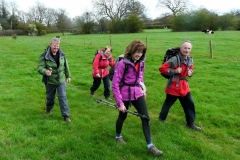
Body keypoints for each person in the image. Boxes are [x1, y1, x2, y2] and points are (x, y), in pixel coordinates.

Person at [112, 40, 163, 156]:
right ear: (131, 51)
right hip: (124, 93)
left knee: (145, 117)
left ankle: (150, 146)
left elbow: (140, 78)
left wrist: (142, 89)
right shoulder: (122, 64)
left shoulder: (141, 64)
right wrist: (120, 103)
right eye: (137, 51)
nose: (139, 54)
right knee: (122, 115)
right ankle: (118, 136)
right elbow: (115, 85)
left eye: (141, 52)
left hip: (137, 93)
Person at [158, 40, 201, 131]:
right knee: (168, 104)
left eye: (189, 48)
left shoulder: (190, 59)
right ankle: (162, 119)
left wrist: (190, 73)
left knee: (189, 104)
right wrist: (174, 71)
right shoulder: (174, 59)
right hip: (173, 86)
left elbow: (191, 68)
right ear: (181, 49)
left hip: (184, 87)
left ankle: (190, 123)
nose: (187, 50)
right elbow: (162, 69)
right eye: (185, 48)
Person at [37, 37, 71, 122]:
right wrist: (45, 71)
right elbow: (39, 67)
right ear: (50, 45)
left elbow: (66, 66)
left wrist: (68, 76)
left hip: (61, 79)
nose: (56, 48)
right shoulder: (44, 55)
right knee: (50, 97)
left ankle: (66, 115)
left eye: (57, 46)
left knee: (62, 96)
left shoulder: (62, 54)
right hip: (50, 80)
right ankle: (49, 109)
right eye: (54, 46)